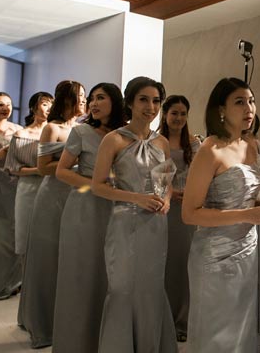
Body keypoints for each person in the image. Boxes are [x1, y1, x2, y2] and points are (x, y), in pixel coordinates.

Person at [182, 78, 260, 352]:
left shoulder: (253, 146)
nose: (249, 108)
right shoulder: (209, 150)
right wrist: (247, 214)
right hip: (216, 254)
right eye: (240, 102)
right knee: (218, 333)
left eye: (251, 101)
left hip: (250, 251)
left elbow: (249, 197)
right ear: (221, 110)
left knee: (243, 330)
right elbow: (190, 214)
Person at [92, 76, 177, 352]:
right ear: (129, 102)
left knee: (151, 287)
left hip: (156, 224)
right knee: (122, 288)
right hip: (124, 223)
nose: (151, 107)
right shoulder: (113, 139)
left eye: (156, 101)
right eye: (143, 100)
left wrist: (166, 199)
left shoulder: (162, 142)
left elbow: (167, 181)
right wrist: (136, 198)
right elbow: (97, 186)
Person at [53, 83, 125, 352]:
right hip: (84, 208)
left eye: (100, 98)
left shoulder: (125, 134)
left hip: (118, 209)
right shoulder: (81, 132)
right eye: (91, 98)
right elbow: (61, 171)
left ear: (115, 102)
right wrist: (95, 186)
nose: (93, 103)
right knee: (82, 274)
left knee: (111, 274)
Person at [20, 80, 86, 348]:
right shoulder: (52, 128)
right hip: (52, 197)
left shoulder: (82, 129)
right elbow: (43, 167)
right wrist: (77, 163)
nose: (84, 101)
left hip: (76, 196)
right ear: (67, 99)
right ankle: (42, 324)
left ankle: (65, 320)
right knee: (47, 258)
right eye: (80, 96)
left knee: (69, 258)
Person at [158, 95, 202, 342]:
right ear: (165, 114)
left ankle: (183, 321)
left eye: (183, 113)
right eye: (174, 113)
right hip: (163, 208)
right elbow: (152, 175)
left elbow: (201, 175)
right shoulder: (156, 141)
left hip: (187, 211)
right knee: (164, 262)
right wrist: (170, 192)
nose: (178, 118)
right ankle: (163, 318)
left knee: (184, 264)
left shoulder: (194, 143)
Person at [5, 92, 53, 260]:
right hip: (28, 189)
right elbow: (12, 167)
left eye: (52, 104)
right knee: (26, 236)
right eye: (45, 104)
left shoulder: (57, 132)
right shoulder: (21, 134)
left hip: (52, 188)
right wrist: (38, 170)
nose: (49, 108)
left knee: (49, 238)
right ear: (33, 108)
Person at [0, 91, 23, 300]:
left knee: (12, 234)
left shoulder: (18, 130)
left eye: (9, 104)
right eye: (0, 104)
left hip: (14, 185)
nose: (6, 108)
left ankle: (13, 282)